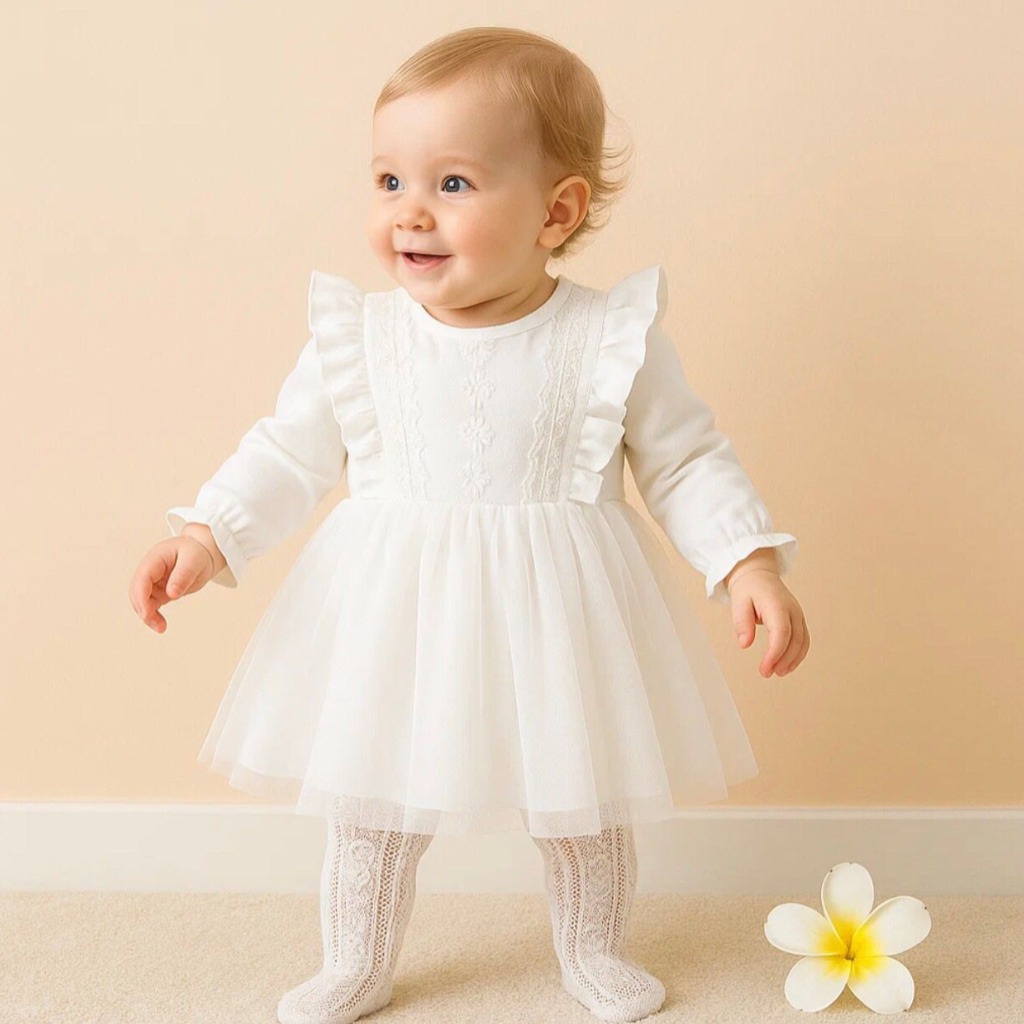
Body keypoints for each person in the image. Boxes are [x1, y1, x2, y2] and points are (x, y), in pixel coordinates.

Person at [128, 25, 809, 1024]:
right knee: (370, 804)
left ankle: (592, 950)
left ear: (555, 211)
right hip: (394, 609)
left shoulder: (607, 338)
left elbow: (684, 458)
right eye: (388, 180)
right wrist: (208, 534)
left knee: (581, 803)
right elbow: (287, 451)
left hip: (561, 610)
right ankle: (355, 961)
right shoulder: (361, 338)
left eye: (452, 184)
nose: (410, 210)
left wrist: (744, 559)